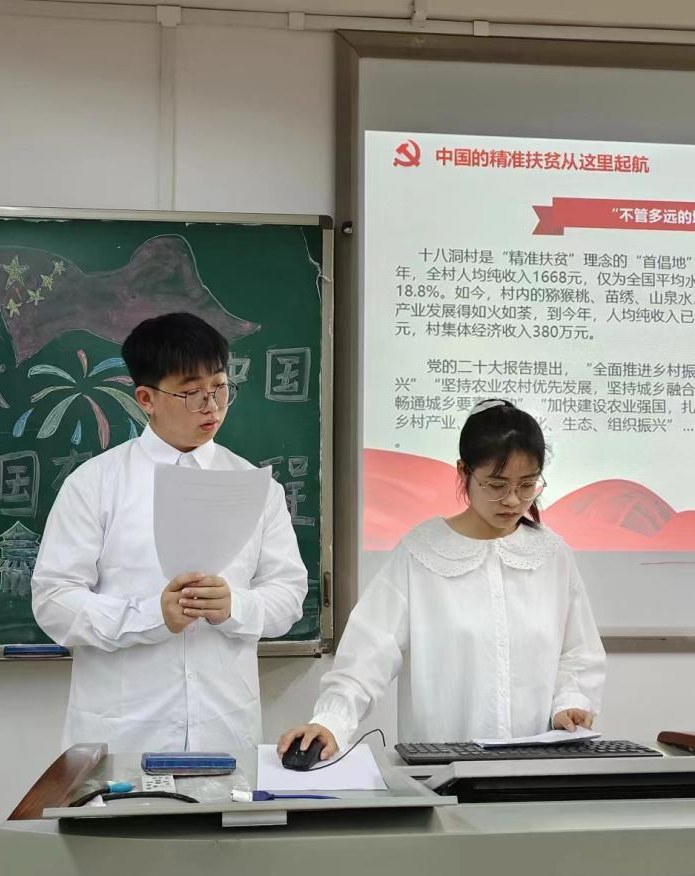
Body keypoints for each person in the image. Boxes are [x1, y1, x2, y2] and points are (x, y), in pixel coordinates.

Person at [33, 312, 308, 756]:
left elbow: (289, 595)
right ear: (146, 398)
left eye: (220, 387)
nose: (212, 406)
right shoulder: (95, 484)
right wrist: (150, 616)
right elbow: (53, 602)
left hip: (224, 731)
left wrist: (235, 606)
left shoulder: (255, 486)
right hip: (122, 737)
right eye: (192, 393)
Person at [279, 399, 604, 761]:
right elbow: (368, 653)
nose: (513, 500)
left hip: (535, 768)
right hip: (443, 767)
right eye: (496, 485)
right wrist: (330, 721)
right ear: (464, 471)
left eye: (527, 485)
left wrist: (570, 703)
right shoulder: (422, 552)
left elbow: (578, 653)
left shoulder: (551, 556)